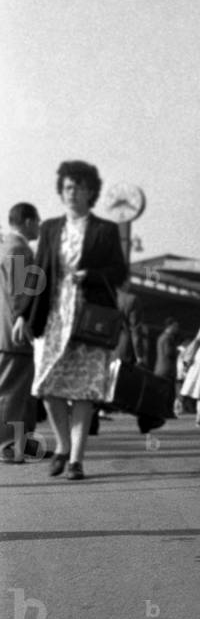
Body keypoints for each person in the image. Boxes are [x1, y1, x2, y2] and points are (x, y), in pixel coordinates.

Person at [13, 161, 127, 480]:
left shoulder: (106, 230)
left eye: (78, 187)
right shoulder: (49, 228)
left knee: (84, 391)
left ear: (91, 192)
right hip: (52, 318)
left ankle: (76, 459)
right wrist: (23, 313)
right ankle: (62, 446)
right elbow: (36, 272)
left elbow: (119, 273)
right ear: (60, 192)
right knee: (47, 386)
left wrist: (90, 275)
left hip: (90, 319)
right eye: (66, 187)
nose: (71, 193)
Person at [0, 203, 41, 463]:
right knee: (11, 391)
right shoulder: (17, 249)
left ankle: (22, 442)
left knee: (23, 392)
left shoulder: (8, 246)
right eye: (36, 221)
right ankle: (6, 444)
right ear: (27, 221)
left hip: (13, 331)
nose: (38, 226)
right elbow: (18, 291)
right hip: (16, 333)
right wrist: (22, 319)